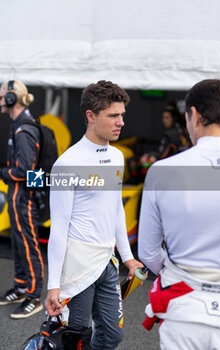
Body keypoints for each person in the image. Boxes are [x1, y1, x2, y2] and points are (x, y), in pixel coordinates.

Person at [45, 80, 144, 350]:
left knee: (112, 336)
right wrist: (53, 286)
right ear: (91, 116)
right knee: (73, 335)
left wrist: (128, 258)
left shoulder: (116, 157)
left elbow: (115, 210)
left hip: (106, 261)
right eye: (113, 115)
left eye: (122, 114)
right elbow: (59, 228)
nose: (121, 121)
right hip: (76, 262)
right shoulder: (67, 164)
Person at [138, 79, 220, 349]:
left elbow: (148, 252)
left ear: (194, 115)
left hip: (183, 308)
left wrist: (178, 272)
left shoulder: (163, 171)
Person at [0, 80, 44, 318]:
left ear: (10, 99)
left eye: (1, 97)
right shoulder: (19, 124)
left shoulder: (23, 129)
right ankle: (20, 286)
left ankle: (35, 296)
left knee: (28, 243)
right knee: (18, 242)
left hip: (22, 194)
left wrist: (3, 173)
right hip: (19, 193)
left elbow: (25, 171)